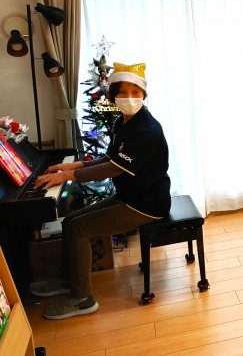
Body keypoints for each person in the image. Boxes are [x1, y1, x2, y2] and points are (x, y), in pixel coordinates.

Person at [29, 62, 171, 319]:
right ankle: (71, 279)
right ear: (113, 96)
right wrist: (74, 165)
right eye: (123, 92)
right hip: (129, 197)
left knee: (78, 228)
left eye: (135, 92)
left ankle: (82, 299)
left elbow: (113, 168)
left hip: (146, 204)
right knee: (70, 221)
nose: (129, 98)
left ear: (144, 95)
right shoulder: (123, 122)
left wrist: (68, 175)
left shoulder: (147, 130)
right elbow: (109, 158)